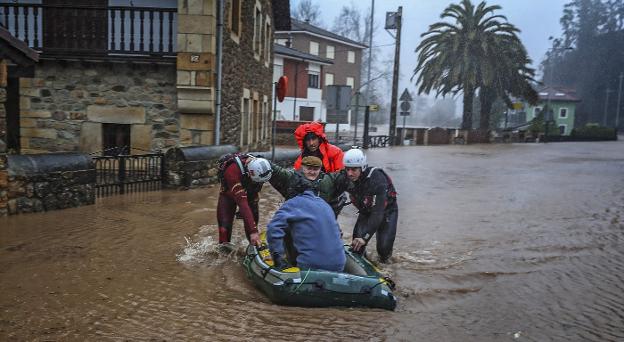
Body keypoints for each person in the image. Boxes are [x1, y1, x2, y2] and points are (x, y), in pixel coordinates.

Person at [266, 188, 346, 272]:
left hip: (310, 267)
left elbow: (273, 228)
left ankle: (290, 261)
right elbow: (339, 232)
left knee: (286, 227)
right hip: (339, 265)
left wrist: (277, 257)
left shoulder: (293, 202)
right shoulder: (325, 204)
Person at [343, 148, 398, 263]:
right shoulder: (344, 178)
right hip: (366, 211)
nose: (349, 173)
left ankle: (388, 267)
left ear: (362, 167)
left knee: (383, 251)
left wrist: (365, 237)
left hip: (386, 212)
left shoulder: (377, 179)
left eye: (354, 169)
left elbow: (378, 213)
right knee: (357, 247)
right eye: (347, 169)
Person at [217, 154, 272, 248]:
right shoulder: (232, 171)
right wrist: (253, 231)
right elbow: (242, 203)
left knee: (253, 223)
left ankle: (254, 246)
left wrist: (253, 230)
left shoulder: (262, 167)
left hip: (250, 192)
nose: (260, 184)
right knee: (224, 229)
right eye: (258, 182)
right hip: (228, 195)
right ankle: (224, 254)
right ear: (250, 173)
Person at [269, 156, 350, 216]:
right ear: (302, 168)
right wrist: (261, 160)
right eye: (309, 169)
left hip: (318, 224)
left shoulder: (327, 181)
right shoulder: (291, 178)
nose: (312, 172)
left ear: (320, 169)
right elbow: (277, 171)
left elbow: (346, 178)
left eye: (315, 169)